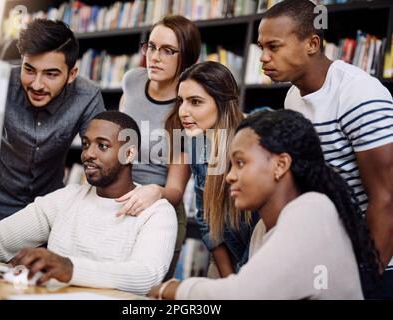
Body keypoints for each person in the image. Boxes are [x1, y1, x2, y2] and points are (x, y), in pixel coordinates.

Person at [150, 110, 381, 300]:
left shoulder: (312, 210)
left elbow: (242, 294)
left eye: (240, 162)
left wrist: (170, 289)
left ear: (280, 165)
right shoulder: (263, 228)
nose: (229, 176)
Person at [258, 0, 393, 298]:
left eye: (274, 47)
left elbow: (386, 199)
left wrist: (363, 281)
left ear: (312, 43)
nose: (263, 58)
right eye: (261, 48)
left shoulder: (359, 94)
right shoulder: (293, 98)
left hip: (376, 262)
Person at [0, 111, 177, 295]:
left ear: (129, 154)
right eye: (86, 143)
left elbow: (146, 276)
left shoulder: (157, 212)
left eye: (102, 145)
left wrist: (69, 268)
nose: (88, 154)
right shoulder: (67, 198)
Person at [0, 19, 105, 221]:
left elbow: (104, 152)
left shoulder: (87, 96)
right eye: (29, 70)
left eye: (50, 74)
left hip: (47, 213)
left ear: (71, 74)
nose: (37, 84)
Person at [118, 15, 201, 279]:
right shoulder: (131, 81)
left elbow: (176, 190)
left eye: (168, 51)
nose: (155, 57)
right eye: (151, 47)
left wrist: (153, 192)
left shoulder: (187, 108)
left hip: (160, 208)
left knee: (144, 292)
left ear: (185, 58)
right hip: (119, 201)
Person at [165, 61, 257, 277]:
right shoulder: (197, 143)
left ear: (222, 103)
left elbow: (265, 225)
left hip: (263, 256)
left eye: (195, 102)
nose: (183, 111)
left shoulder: (257, 141)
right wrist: (228, 279)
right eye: (181, 101)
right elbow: (207, 220)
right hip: (227, 257)